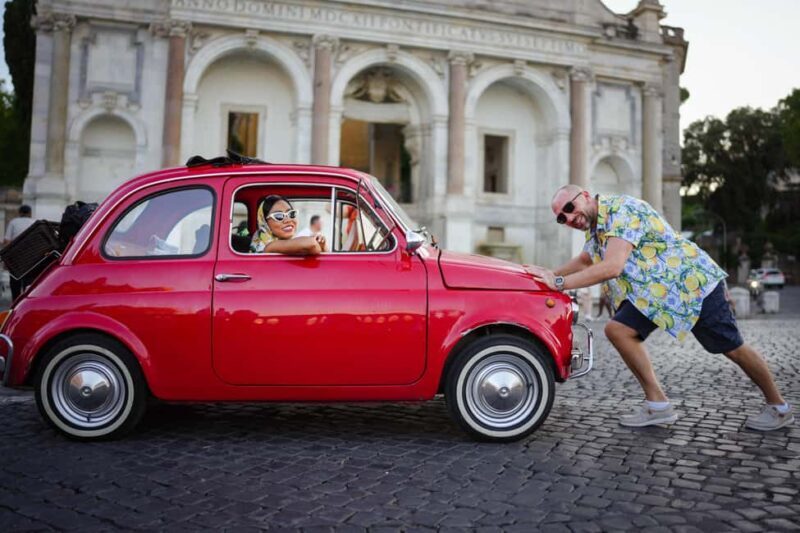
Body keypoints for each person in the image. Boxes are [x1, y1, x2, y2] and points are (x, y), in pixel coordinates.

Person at [526, 184, 793, 431]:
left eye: (569, 209)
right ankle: (658, 405)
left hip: (690, 286)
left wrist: (559, 282)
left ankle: (779, 407)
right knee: (617, 330)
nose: (569, 218)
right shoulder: (596, 230)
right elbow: (586, 260)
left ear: (584, 195)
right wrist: (546, 276)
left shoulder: (622, 210)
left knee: (732, 348)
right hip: (654, 295)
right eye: (562, 218)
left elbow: (612, 267)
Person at [250, 195, 326, 254]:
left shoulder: (283, 244)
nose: (288, 220)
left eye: (291, 214)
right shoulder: (269, 246)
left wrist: (322, 245)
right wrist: (315, 241)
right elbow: (312, 245)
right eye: (279, 216)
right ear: (265, 222)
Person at [3, 204, 36, 300]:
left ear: (20, 213)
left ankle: (15, 301)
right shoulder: (34, 222)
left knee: (15, 279)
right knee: (28, 280)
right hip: (32, 257)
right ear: (30, 213)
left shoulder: (14, 222)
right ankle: (26, 300)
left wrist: (6, 258)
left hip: (16, 256)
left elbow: (7, 241)